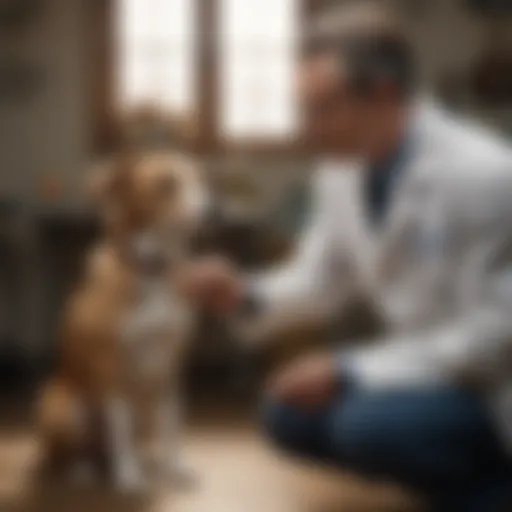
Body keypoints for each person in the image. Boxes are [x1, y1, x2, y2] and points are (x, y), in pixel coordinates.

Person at [180, 3, 512, 510]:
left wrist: (349, 371)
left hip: (493, 382)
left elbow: (494, 337)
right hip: (427, 370)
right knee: (287, 416)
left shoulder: (487, 176)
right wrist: (243, 294)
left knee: (365, 427)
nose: (308, 128)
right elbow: (320, 278)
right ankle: (460, 488)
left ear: (382, 97)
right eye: (303, 107)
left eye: (323, 108)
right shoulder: (342, 171)